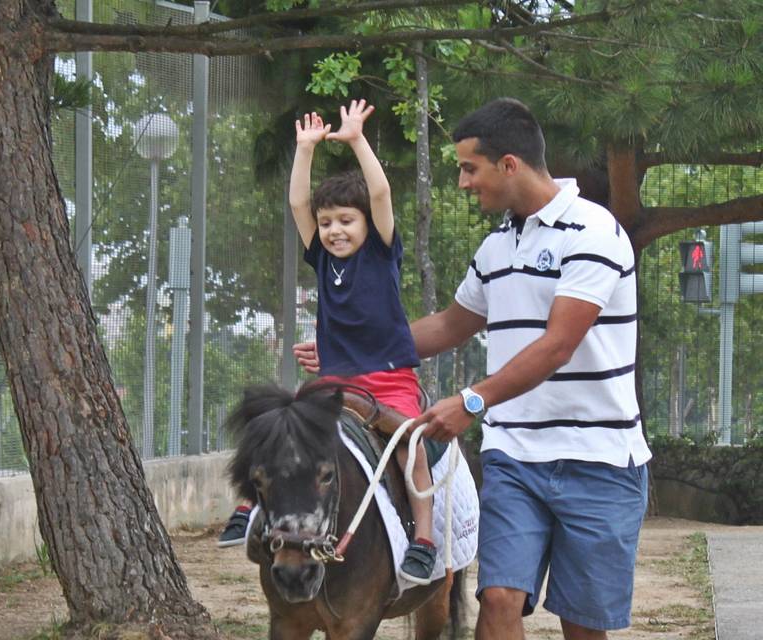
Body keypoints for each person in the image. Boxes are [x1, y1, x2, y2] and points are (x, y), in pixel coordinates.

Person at [294, 98, 651, 639]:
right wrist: (355, 350)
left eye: (469, 168)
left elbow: (558, 345)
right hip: (515, 456)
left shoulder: (593, 231)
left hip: (598, 460)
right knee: (499, 599)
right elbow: (449, 325)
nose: (462, 182)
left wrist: (472, 402)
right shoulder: (495, 248)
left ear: (509, 164)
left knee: (582, 625)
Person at [219, 99, 438, 585]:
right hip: (335, 382)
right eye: (327, 223)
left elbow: (379, 193)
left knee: (409, 446)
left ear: (365, 224)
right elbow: (299, 203)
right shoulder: (322, 258)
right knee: (279, 430)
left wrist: (356, 139)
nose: (335, 230)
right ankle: (249, 508)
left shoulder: (381, 253)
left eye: (346, 220)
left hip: (387, 380)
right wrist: (304, 150)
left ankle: (423, 539)